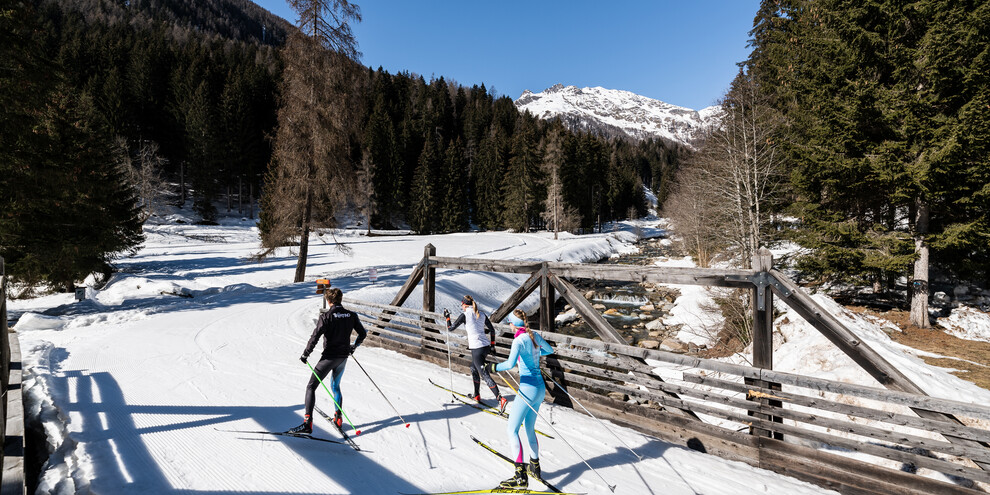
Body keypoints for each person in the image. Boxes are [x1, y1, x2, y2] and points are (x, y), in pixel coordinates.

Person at [484, 309, 554, 489]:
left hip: (528, 388)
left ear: (514, 324)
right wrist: (534, 358)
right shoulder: (534, 335)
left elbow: (509, 364)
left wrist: (492, 368)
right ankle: (535, 467)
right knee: (529, 427)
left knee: (512, 429)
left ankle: (520, 476)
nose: (509, 325)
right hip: (540, 388)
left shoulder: (518, 340)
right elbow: (550, 350)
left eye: (509, 322)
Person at [290, 287, 367, 434]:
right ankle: (338, 418)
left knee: (311, 387)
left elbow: (315, 337)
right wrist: (354, 346)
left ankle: (307, 423)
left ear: (328, 300)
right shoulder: (351, 315)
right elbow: (362, 333)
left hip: (329, 357)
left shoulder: (326, 317)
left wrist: (306, 354)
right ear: (340, 299)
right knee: (335, 386)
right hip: (343, 357)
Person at [447, 295, 508, 413]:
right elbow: (492, 330)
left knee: (484, 374)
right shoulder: (482, 314)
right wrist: (493, 346)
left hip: (477, 348)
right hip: (485, 347)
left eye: (462, 305)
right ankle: (476, 395)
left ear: (465, 304)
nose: (461, 307)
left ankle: (500, 399)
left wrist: (447, 318)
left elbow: (450, 328)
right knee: (473, 368)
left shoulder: (465, 315)